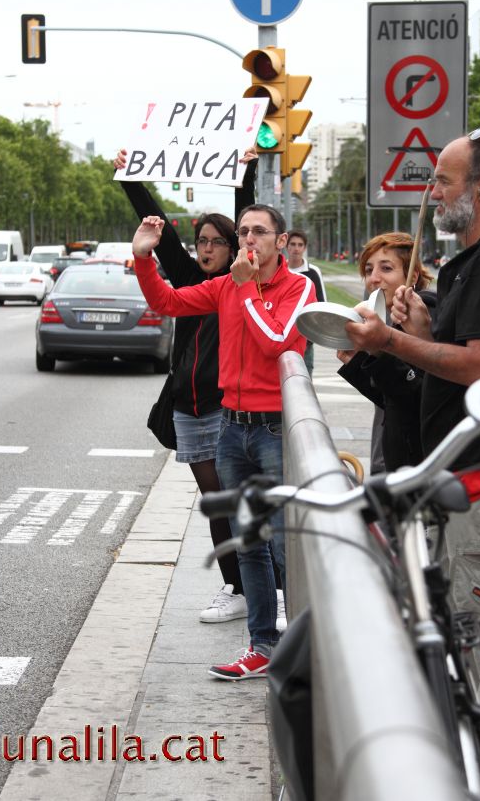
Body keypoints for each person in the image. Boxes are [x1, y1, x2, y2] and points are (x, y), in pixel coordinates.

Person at [344, 128, 480, 801]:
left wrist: (393, 341)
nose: (431, 192)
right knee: (462, 616)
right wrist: (418, 333)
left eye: (441, 180)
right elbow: (455, 349)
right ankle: (472, 756)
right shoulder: (469, 258)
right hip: (459, 470)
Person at [131, 204, 316, 680]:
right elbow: (168, 304)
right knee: (249, 544)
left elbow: (277, 341)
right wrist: (143, 260)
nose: (250, 240)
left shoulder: (300, 288)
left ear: (281, 240)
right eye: (246, 232)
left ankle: (307, 646)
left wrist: (248, 288)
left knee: (284, 546)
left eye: (260, 232)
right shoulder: (226, 286)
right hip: (231, 429)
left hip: (275, 429)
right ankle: (262, 647)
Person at [113, 147, 258, 624]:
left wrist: (247, 170)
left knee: (236, 498)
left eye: (218, 240)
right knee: (216, 501)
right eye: (202, 241)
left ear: (234, 246)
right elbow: (158, 231)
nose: (208, 247)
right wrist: (130, 177)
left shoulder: (238, 281)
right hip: (188, 408)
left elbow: (247, 213)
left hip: (227, 406)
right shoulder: (191, 279)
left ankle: (257, 588)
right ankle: (236, 587)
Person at [336, 232, 434, 471]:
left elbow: (424, 396)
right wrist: (356, 361)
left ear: (412, 276)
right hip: (395, 458)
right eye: (369, 270)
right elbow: (390, 398)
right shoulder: (388, 319)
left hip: (423, 465)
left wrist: (378, 352)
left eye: (386, 268)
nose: (374, 279)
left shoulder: (426, 310)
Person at [286, 229, 326, 376]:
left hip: (306, 339)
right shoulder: (280, 270)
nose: (296, 248)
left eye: (300, 245)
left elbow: (321, 304)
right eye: (293, 244)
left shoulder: (313, 272)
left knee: (305, 380)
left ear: (304, 248)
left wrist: (313, 334)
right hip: (283, 339)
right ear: (286, 246)